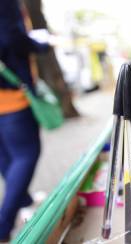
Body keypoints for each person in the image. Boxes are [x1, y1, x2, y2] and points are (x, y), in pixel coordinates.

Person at [0, 0, 49, 240]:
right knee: (26, 153)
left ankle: (24, 199)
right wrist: (40, 44)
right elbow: (11, 38)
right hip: (9, 94)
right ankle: (3, 226)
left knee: (7, 156)